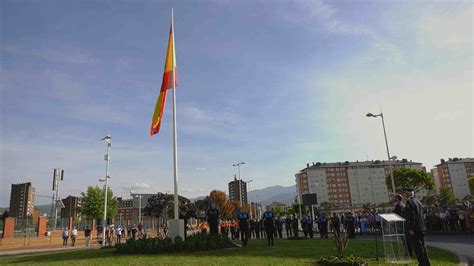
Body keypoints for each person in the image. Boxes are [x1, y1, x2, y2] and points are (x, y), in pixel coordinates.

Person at [405, 190, 430, 266]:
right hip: (421, 227)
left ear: (408, 194)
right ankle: (426, 263)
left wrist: (411, 228)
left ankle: (422, 263)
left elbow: (411, 216)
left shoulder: (409, 202)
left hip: (415, 228)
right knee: (423, 246)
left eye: (405, 193)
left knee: (418, 247)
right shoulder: (418, 201)